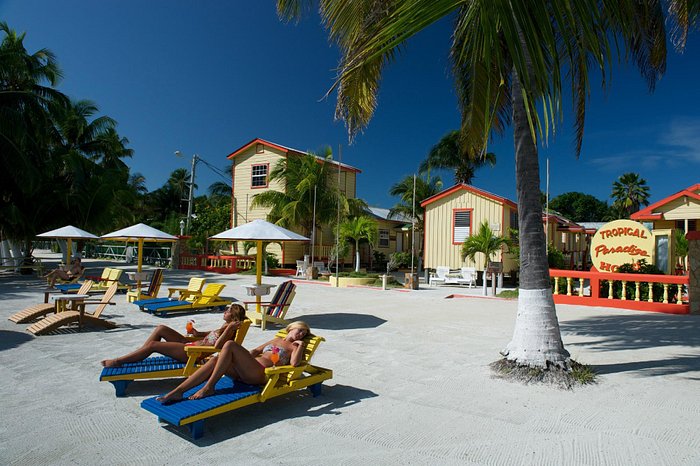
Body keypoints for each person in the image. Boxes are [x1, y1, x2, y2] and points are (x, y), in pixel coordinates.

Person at [156, 321, 311, 403]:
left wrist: (301, 346)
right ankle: (178, 392)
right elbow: (256, 351)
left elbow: (295, 364)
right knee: (216, 359)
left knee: (230, 345)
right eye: (300, 330)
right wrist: (242, 357)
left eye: (304, 333)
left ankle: (209, 387)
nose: (302, 334)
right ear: (291, 328)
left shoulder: (294, 346)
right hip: (249, 367)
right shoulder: (276, 339)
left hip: (259, 374)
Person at [100, 303, 246, 368]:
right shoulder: (225, 327)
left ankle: (119, 361)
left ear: (232, 317)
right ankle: (140, 353)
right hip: (191, 345)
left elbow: (218, 347)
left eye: (228, 311)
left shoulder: (230, 330)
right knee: (161, 328)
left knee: (153, 345)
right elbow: (211, 335)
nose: (224, 311)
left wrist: (228, 330)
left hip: (191, 353)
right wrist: (197, 333)